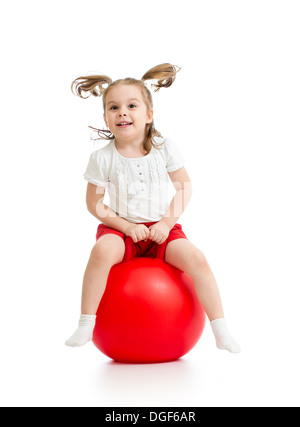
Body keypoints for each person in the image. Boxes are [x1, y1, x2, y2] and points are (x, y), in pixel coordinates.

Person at [65, 63, 241, 353]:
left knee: (197, 259)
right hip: (120, 231)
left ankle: (220, 329)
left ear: (148, 115)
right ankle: (86, 323)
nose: (122, 112)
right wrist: (126, 227)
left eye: (131, 105)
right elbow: (94, 203)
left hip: (162, 230)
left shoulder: (164, 147)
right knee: (101, 251)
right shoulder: (102, 157)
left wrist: (164, 224)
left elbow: (184, 187)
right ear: (106, 118)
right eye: (113, 107)